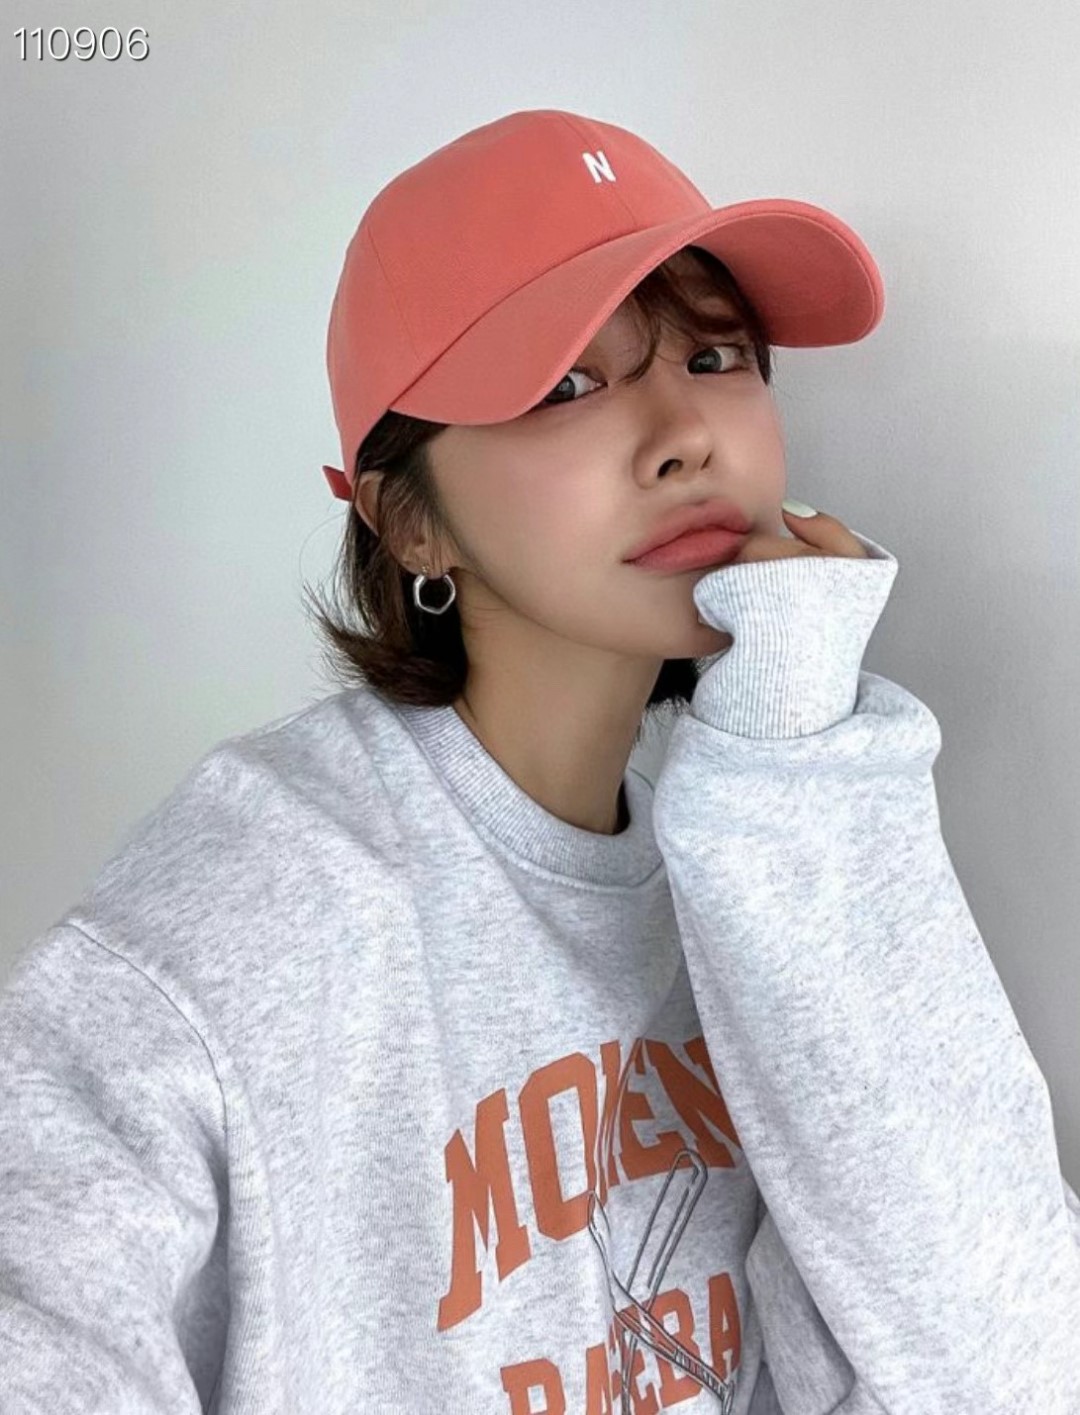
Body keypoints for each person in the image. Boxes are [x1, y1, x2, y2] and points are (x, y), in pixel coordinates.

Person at [1, 107, 1077, 1415]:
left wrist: (804, 755)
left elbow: (1009, 1364)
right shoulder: (249, 914)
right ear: (409, 522)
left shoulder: (764, 861)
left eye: (717, 354)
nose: (685, 433)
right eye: (567, 383)